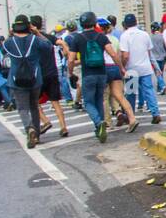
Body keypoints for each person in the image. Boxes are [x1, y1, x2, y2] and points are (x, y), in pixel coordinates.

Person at [65, 11, 117, 142]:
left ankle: (99, 124)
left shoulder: (78, 38)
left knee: (88, 102)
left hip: (88, 74)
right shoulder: (101, 37)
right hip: (102, 74)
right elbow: (113, 54)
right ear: (95, 22)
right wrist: (121, 68)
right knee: (99, 100)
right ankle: (99, 129)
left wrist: (70, 73)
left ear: (82, 24)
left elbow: (71, 59)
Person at [1, 15, 47, 148]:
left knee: (22, 108)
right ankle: (37, 134)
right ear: (29, 26)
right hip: (35, 78)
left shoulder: (9, 42)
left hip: (16, 79)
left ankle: (29, 128)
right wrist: (37, 33)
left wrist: (11, 35)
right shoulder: (35, 39)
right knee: (34, 106)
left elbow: (2, 49)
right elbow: (48, 46)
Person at [28, 16, 69, 138]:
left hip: (38, 75)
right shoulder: (48, 38)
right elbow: (61, 42)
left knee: (34, 102)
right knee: (55, 102)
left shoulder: (31, 40)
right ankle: (63, 127)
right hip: (52, 72)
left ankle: (45, 121)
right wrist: (66, 51)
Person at [120, 13, 161, 125]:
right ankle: (155, 113)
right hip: (145, 67)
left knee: (131, 93)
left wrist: (122, 67)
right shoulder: (144, 34)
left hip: (131, 69)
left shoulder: (124, 36)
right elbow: (148, 52)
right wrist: (155, 66)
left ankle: (130, 115)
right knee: (149, 91)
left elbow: (125, 55)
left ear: (125, 24)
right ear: (136, 22)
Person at [100, 17, 137, 131]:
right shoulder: (115, 39)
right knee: (119, 96)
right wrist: (121, 68)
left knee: (104, 97)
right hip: (115, 67)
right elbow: (118, 55)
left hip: (104, 68)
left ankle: (108, 123)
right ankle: (132, 118)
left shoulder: (98, 39)